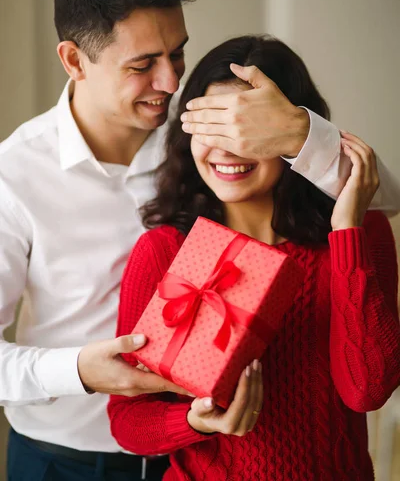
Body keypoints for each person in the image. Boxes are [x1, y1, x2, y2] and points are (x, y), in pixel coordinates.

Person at [0, 0, 399, 481]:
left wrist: (300, 134)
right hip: (67, 458)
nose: (169, 84)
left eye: (178, 53)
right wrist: (80, 370)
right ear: (74, 60)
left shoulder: (207, 132)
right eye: (143, 64)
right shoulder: (13, 176)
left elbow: (383, 198)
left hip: (191, 455)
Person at [108, 35, 400, 481]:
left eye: (246, 129)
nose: (227, 148)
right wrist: (191, 422)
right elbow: (128, 420)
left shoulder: (356, 235)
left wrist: (347, 232)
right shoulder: (165, 250)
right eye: (212, 127)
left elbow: (367, 390)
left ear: (291, 135)